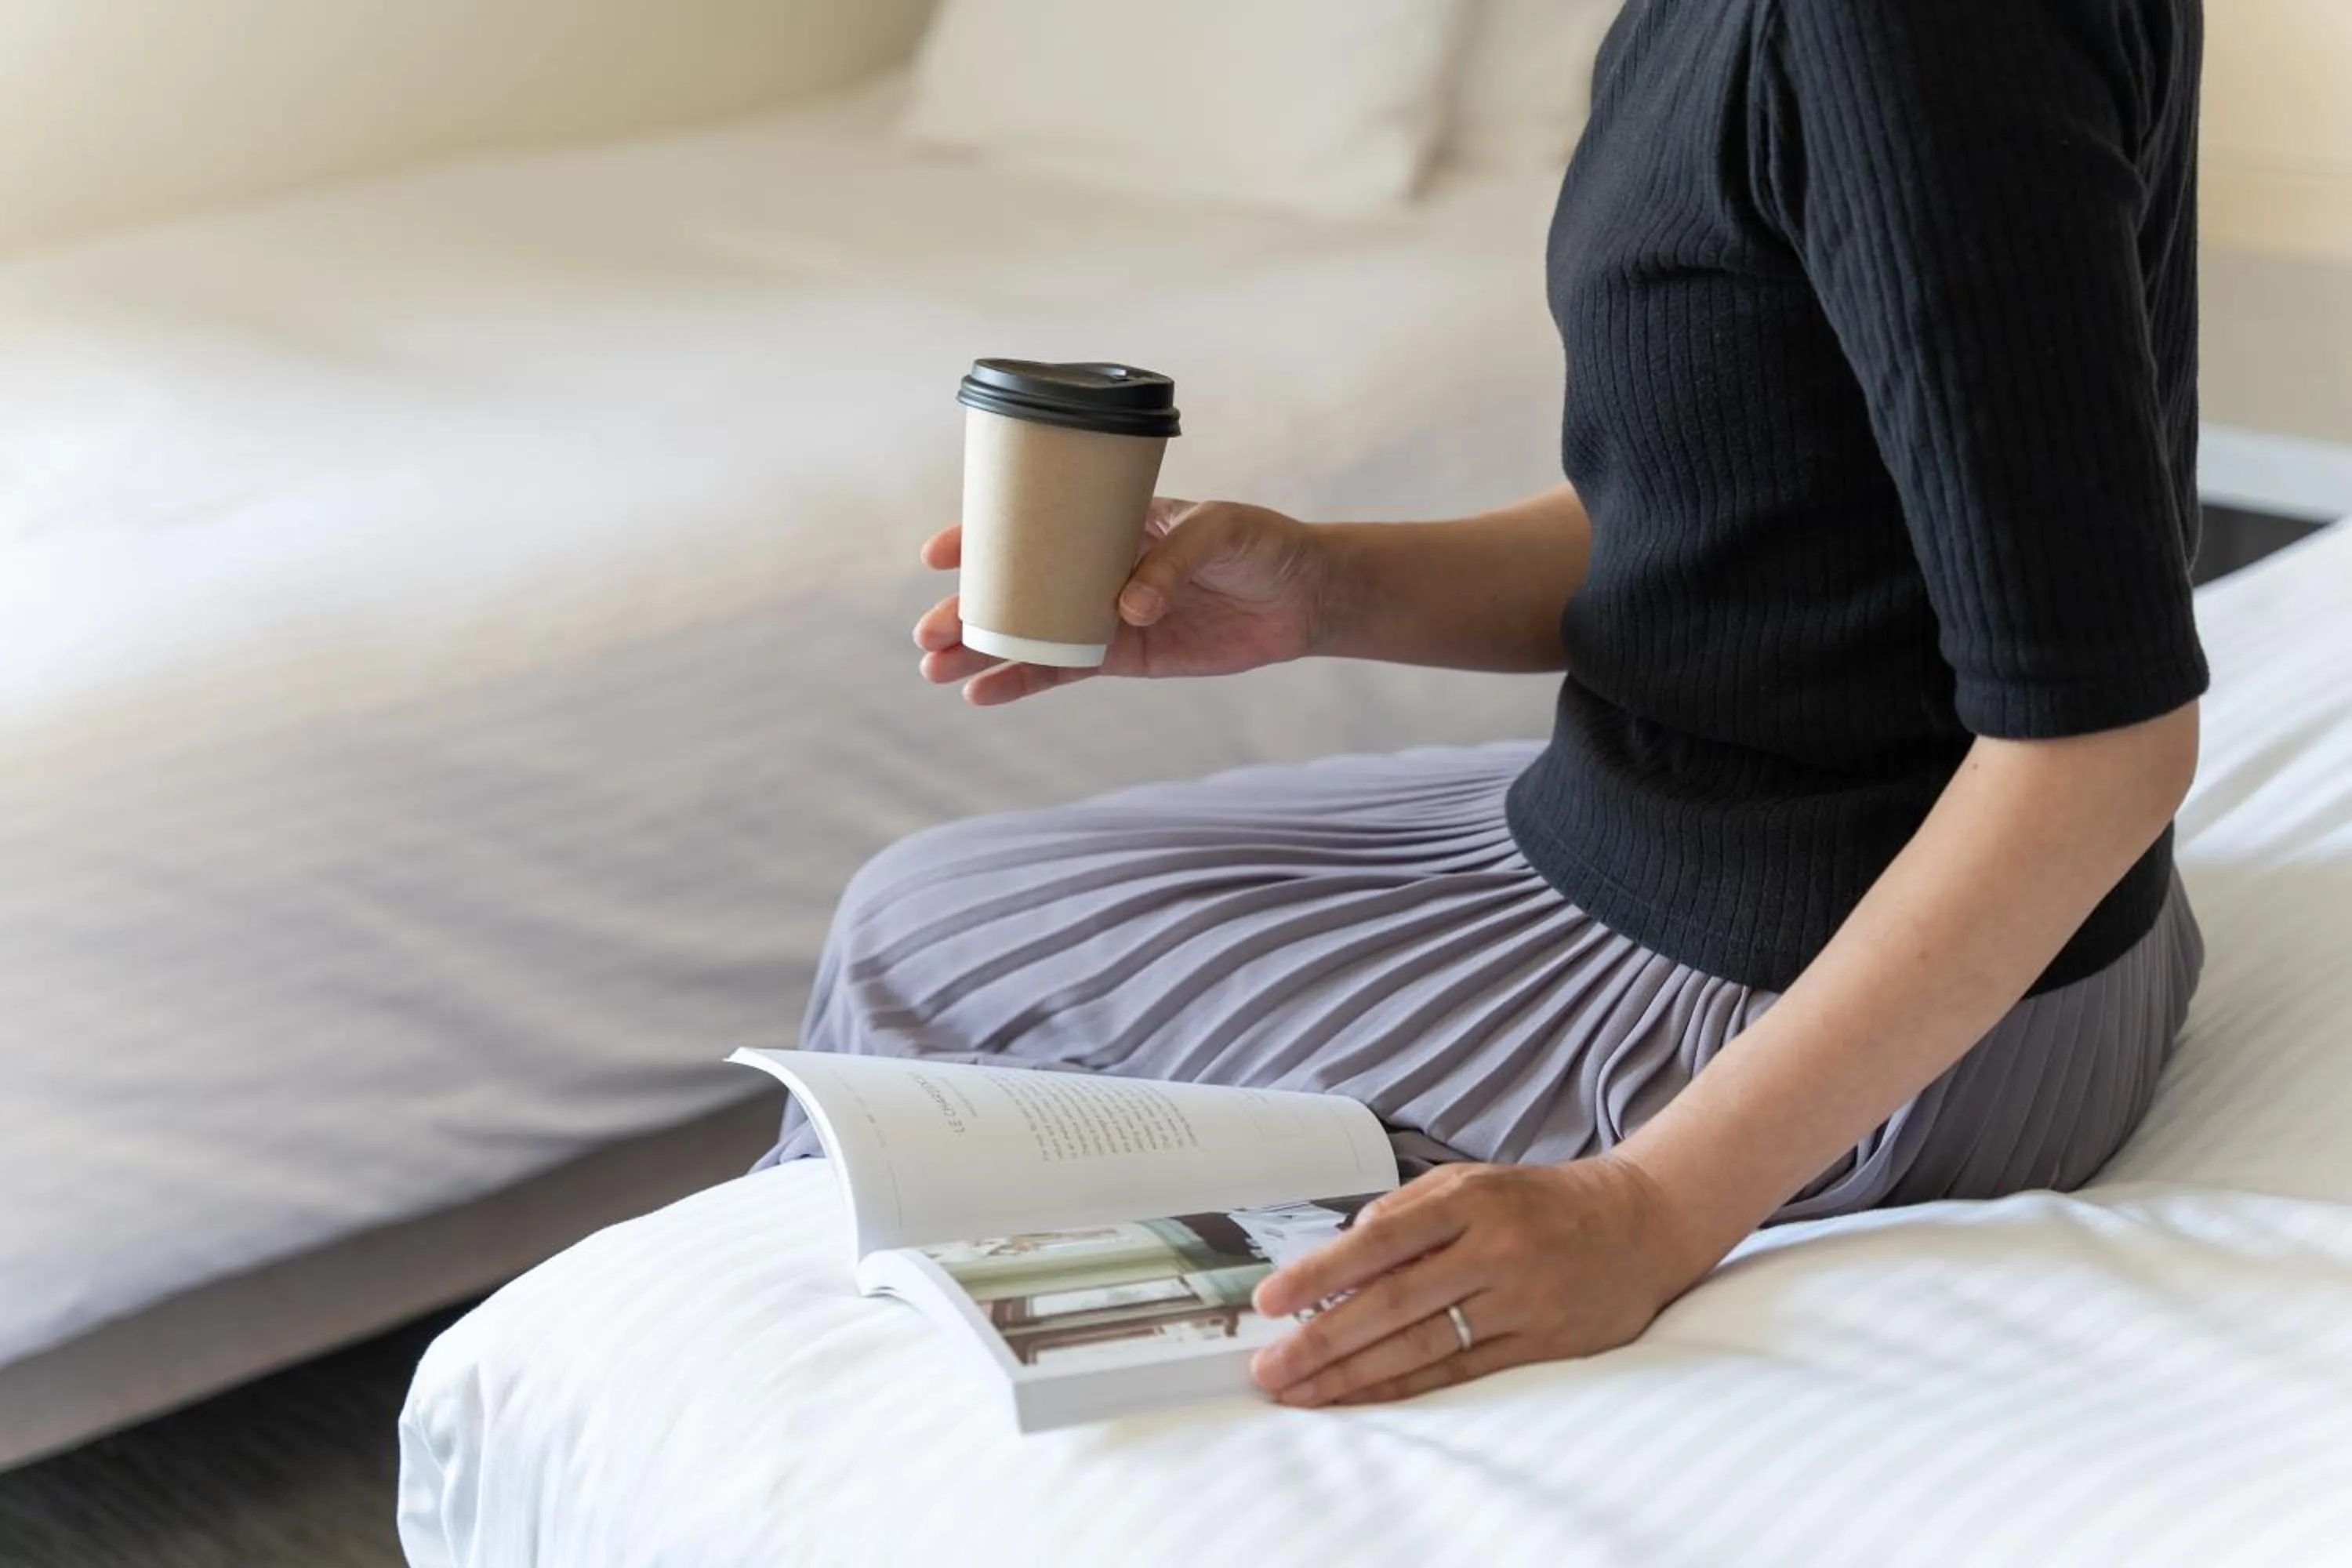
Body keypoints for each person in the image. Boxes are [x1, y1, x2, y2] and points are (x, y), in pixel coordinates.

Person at [757, 0, 2209, 1410]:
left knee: (931, 973)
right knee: (924, 906)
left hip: (1830, 973)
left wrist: (1648, 1206)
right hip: (1715, 838)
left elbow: (2099, 746)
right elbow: (1762, 502)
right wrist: (1322, 588)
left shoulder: (1899, 28)